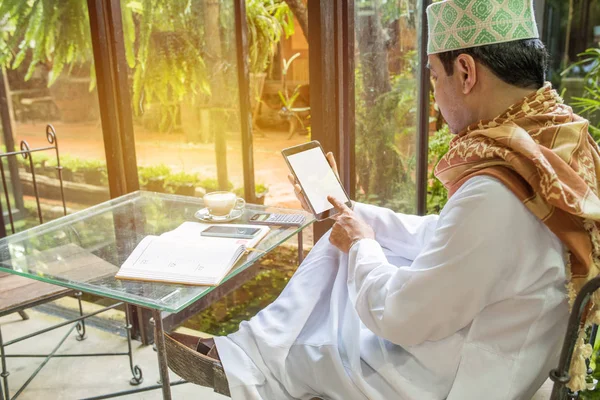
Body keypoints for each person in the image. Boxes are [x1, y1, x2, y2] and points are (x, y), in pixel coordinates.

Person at [188, 1, 600, 398]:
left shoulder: (497, 192)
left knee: (310, 338)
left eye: (434, 78)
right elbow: (450, 237)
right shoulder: (558, 144)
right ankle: (254, 350)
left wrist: (361, 242)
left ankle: (254, 361)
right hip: (506, 344)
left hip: (461, 378)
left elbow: (401, 315)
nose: (435, 96)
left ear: (466, 72)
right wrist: (351, 214)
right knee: (344, 252)